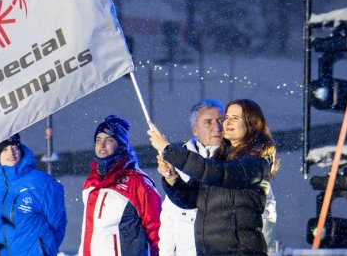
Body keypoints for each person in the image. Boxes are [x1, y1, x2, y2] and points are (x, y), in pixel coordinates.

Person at [148, 99, 279, 256]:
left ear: (251, 123)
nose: (226, 122)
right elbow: (189, 199)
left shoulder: (255, 163)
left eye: (235, 118)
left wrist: (168, 149)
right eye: (227, 117)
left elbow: (217, 172)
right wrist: (172, 177)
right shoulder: (218, 161)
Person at [78, 115, 161, 256]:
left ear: (121, 145)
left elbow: (156, 230)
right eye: (98, 140)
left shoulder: (137, 182)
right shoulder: (91, 182)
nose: (102, 145)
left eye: (109, 140)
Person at [0, 133, 67, 256]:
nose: (11, 153)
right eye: (5, 149)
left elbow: (57, 223)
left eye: (14, 147)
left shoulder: (42, 182)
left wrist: (44, 249)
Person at [158, 99, 224, 256]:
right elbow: (169, 218)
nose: (217, 127)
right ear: (195, 130)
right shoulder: (179, 162)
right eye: (208, 122)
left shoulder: (237, 160)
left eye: (220, 120)